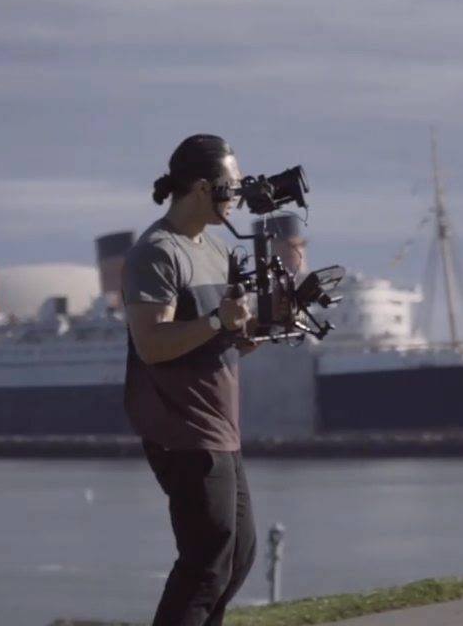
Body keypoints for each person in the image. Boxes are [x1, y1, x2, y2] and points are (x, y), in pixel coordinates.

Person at [121, 134, 261, 625]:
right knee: (205, 565)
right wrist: (219, 322)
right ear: (202, 188)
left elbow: (217, 331)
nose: (239, 197)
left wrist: (247, 332)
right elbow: (152, 344)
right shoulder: (157, 253)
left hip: (221, 425)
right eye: (233, 187)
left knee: (237, 558)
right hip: (182, 428)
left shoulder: (218, 250)